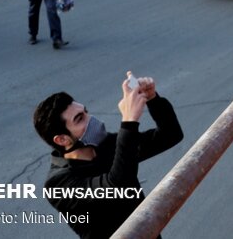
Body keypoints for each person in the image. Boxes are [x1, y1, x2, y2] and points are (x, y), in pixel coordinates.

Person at [32, 73, 183, 238]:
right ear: (62, 139)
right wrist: (129, 121)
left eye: (86, 112)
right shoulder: (58, 184)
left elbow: (170, 135)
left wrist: (152, 98)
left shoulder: (105, 145)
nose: (91, 120)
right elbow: (117, 185)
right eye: (79, 119)